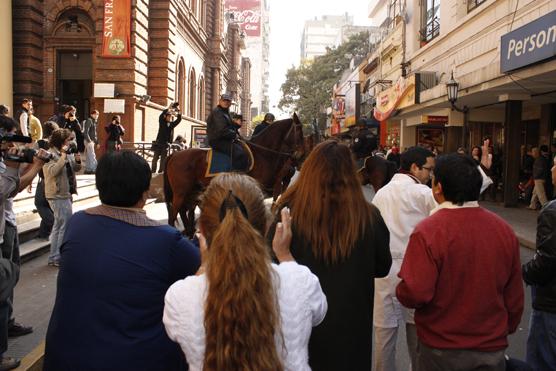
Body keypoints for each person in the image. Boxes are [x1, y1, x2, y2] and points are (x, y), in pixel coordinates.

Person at [44, 151, 201, 371]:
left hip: (62, 357)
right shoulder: (165, 240)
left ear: (100, 187)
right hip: (134, 359)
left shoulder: (77, 223)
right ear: (145, 192)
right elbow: (201, 266)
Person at [164, 173, 327, 370]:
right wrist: (284, 255)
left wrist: (205, 266)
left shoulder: (180, 295)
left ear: (204, 232)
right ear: (266, 227)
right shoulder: (300, 281)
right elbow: (318, 314)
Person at [270, 140, 392, 370]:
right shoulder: (369, 216)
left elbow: (272, 263)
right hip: (352, 335)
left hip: (301, 333)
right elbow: (383, 266)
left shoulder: (288, 213)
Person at [396, 154, 524, 371]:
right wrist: (503, 328)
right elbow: (514, 296)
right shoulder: (503, 230)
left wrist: (400, 289)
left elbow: (416, 292)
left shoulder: (429, 231)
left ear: (438, 188)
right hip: (490, 348)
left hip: (441, 347)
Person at [370, 146, 435, 371]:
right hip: (414, 271)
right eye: (428, 169)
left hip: (385, 271)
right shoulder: (425, 194)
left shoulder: (381, 194)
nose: (430, 175)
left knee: (383, 334)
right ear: (415, 168)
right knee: (417, 333)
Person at [0, 115, 50, 370]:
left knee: (9, 279)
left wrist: (26, 161)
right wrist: (36, 166)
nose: (11, 147)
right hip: (3, 230)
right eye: (8, 139)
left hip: (6, 225)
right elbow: (9, 188)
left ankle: (7, 322)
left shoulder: (5, 161)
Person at [523, 155, 556, 370]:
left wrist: (523, 272)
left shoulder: (552, 211)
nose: (551, 169)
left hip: (551, 303)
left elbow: (547, 260)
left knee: (543, 360)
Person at [43, 128, 81, 266]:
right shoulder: (50, 154)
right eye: (68, 140)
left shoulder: (65, 153)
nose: (70, 142)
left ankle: (54, 256)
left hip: (66, 193)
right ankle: (57, 257)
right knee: (64, 226)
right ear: (61, 141)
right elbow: (52, 172)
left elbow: (74, 169)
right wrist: (63, 156)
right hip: (57, 194)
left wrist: (77, 161)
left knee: (59, 226)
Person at [206, 94, 248, 171]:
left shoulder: (225, 112)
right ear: (220, 101)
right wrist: (235, 135)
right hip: (217, 140)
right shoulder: (218, 112)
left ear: (230, 103)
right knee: (239, 153)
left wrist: (237, 125)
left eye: (228, 101)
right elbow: (222, 130)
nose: (226, 102)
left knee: (244, 148)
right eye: (224, 100)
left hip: (223, 139)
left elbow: (230, 125)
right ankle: (236, 175)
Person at [34, 122, 59, 240]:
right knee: (48, 205)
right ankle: (44, 233)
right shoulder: (59, 144)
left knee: (40, 203)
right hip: (56, 178)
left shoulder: (41, 143)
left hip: (44, 178)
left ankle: (52, 224)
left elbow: (34, 161)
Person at [152, 108, 182, 173]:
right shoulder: (162, 122)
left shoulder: (171, 124)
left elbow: (179, 120)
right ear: (165, 117)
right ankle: (152, 171)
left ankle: (160, 172)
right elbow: (161, 115)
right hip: (158, 143)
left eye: (171, 117)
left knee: (163, 159)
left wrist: (179, 112)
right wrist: (169, 108)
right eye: (168, 116)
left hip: (165, 145)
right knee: (155, 159)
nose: (170, 118)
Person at [82, 110, 100, 174]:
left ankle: (88, 169)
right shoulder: (89, 120)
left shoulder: (94, 121)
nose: (96, 116)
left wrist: (97, 142)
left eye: (97, 114)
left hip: (90, 141)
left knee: (89, 155)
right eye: (95, 114)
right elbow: (86, 132)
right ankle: (94, 169)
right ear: (91, 115)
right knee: (92, 155)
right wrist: (89, 141)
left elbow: (94, 134)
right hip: (89, 141)